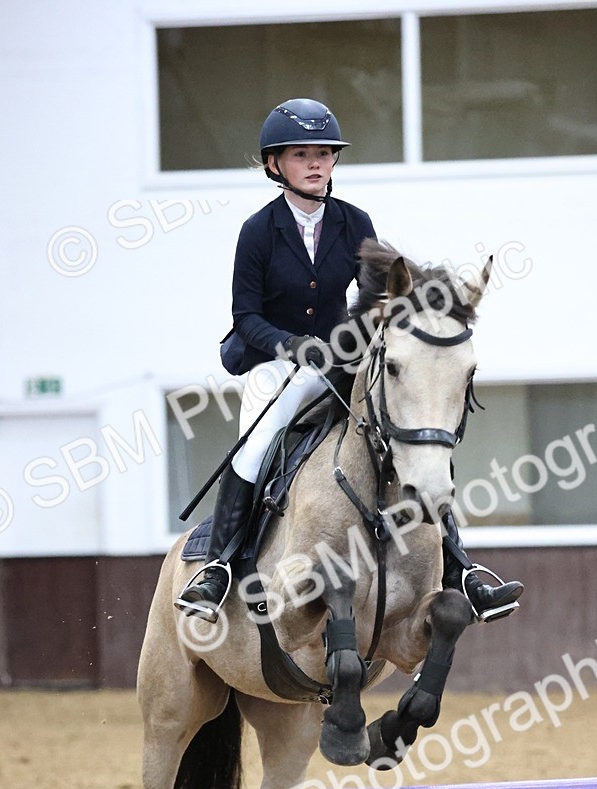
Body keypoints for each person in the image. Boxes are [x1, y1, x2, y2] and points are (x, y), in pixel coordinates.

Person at [175, 98, 523, 625]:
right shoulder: (258, 230)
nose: (315, 164)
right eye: (301, 155)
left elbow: (378, 297)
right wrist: (294, 346)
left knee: (413, 434)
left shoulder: (354, 221)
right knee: (256, 445)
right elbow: (245, 317)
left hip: (341, 360)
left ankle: (461, 570)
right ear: (275, 164)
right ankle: (220, 565)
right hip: (278, 364)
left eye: (323, 154)